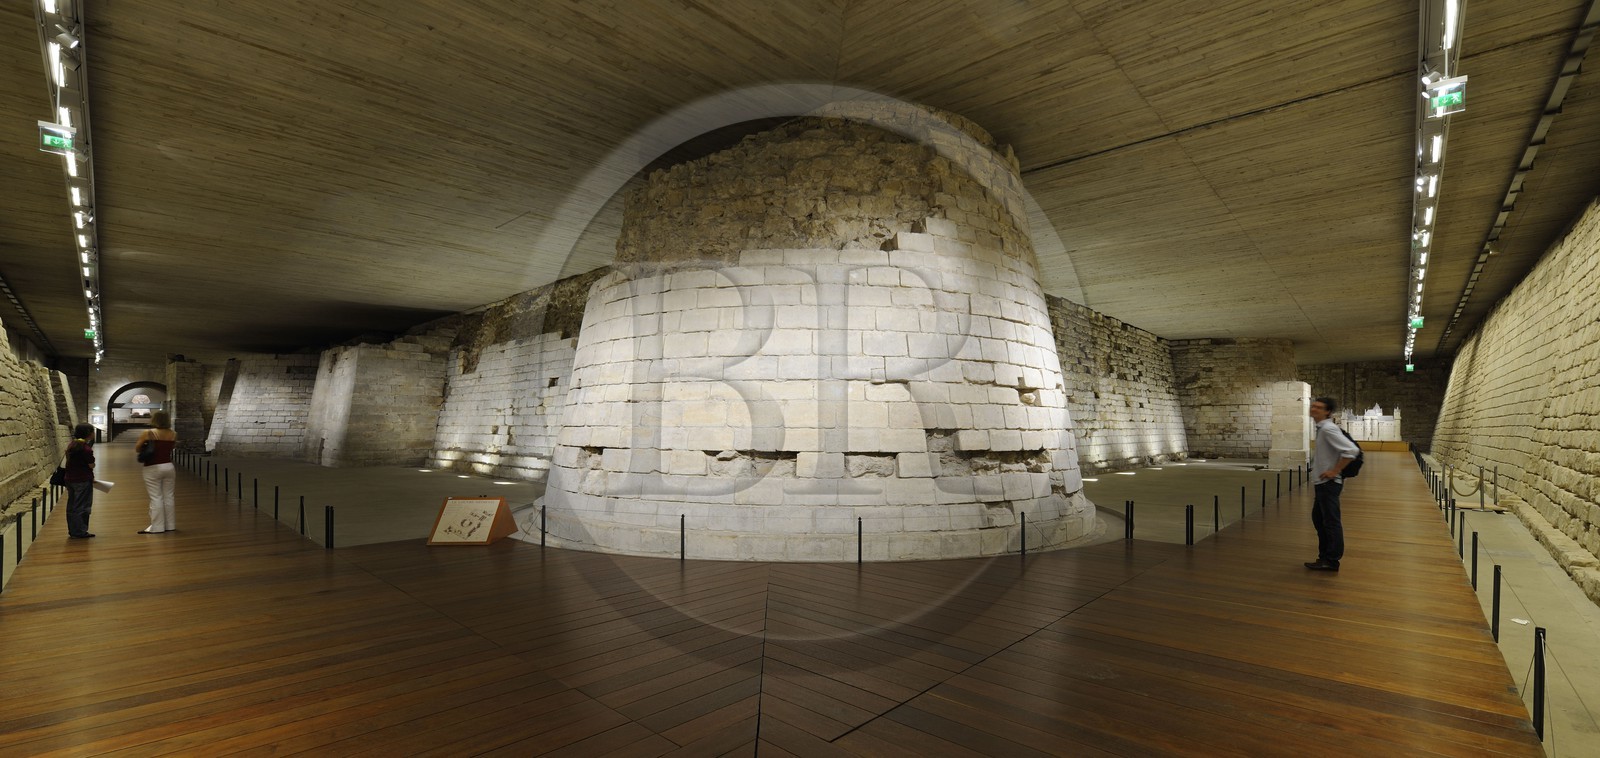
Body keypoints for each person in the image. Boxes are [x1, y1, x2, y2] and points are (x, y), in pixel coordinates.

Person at [1306, 397, 1362, 571]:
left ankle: (1331, 560)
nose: (1314, 409)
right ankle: (1325, 557)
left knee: (1330, 522)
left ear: (1327, 412)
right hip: (1322, 483)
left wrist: (1335, 471)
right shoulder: (1322, 428)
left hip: (1328, 484)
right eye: (1313, 406)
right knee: (1320, 519)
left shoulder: (1328, 429)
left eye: (1319, 407)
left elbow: (1352, 450)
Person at [137, 410, 180, 534]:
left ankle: (157, 527)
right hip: (168, 466)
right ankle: (170, 525)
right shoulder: (173, 433)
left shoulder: (148, 433)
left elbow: (137, 448)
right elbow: (172, 447)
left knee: (156, 497)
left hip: (152, 467)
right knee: (169, 496)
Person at [63, 423, 97, 539]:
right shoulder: (86, 449)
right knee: (82, 506)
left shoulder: (72, 444)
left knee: (72, 506)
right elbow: (91, 465)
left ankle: (73, 530)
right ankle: (80, 531)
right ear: (89, 433)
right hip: (82, 480)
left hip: (70, 479)